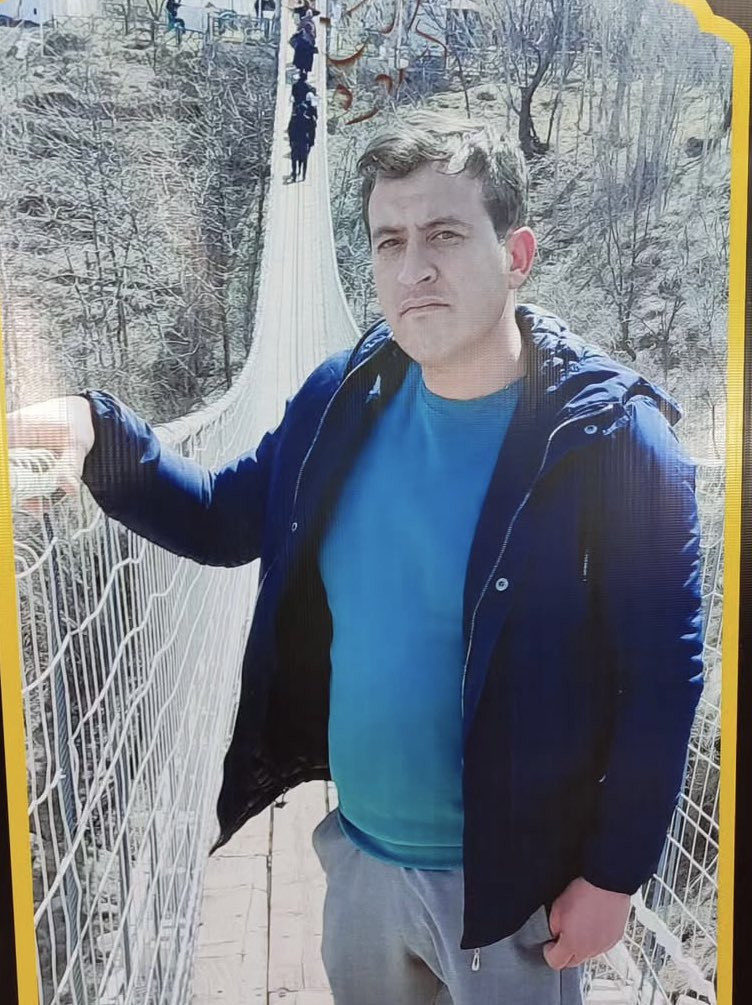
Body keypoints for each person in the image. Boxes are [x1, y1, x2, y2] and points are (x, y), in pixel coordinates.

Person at [7, 111, 704, 1005]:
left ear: (517, 255)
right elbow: (225, 518)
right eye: (389, 241)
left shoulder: (614, 440)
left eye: (445, 235)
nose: (414, 268)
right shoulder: (343, 397)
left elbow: (663, 675)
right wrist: (94, 428)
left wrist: (614, 875)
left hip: (515, 886)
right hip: (362, 859)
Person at [287, 104, 310, 181]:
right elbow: (310, 132)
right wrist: (309, 142)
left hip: (295, 142)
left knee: (294, 159)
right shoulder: (307, 120)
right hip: (304, 142)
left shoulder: (293, 119)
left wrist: (291, 140)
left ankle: (294, 174)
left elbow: (290, 130)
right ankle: (304, 175)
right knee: (304, 159)